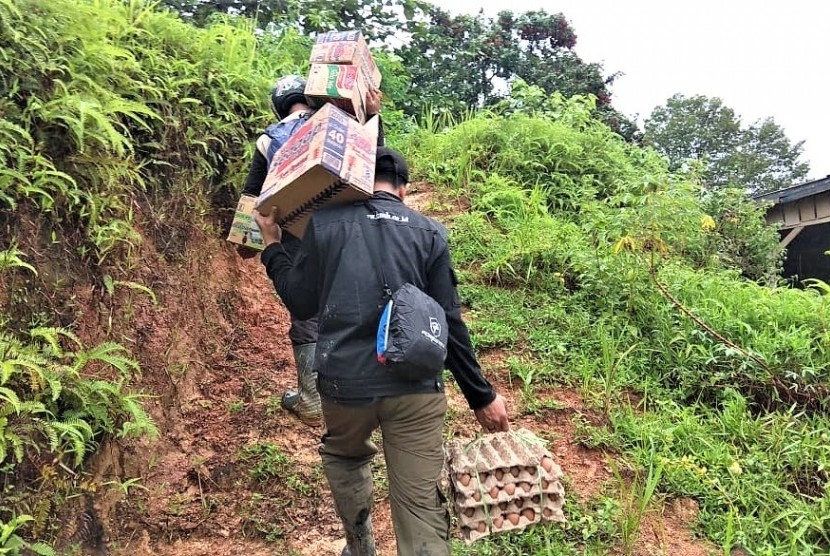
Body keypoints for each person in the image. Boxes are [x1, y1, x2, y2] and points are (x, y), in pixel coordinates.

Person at [254, 147, 510, 556]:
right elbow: (449, 322)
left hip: (344, 384)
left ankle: (360, 544)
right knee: (420, 503)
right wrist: (481, 395)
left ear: (355, 180)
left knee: (345, 456)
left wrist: (272, 246)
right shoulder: (429, 233)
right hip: (416, 388)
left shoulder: (325, 224)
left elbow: (301, 303)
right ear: (404, 191)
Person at [237, 74, 382, 424]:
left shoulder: (267, 141)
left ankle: (312, 396)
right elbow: (372, 161)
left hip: (296, 235)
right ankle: (363, 385)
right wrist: (374, 116)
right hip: (345, 225)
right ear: (310, 97)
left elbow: (252, 199)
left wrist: (248, 243)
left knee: (305, 310)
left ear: (278, 107)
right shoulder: (336, 122)